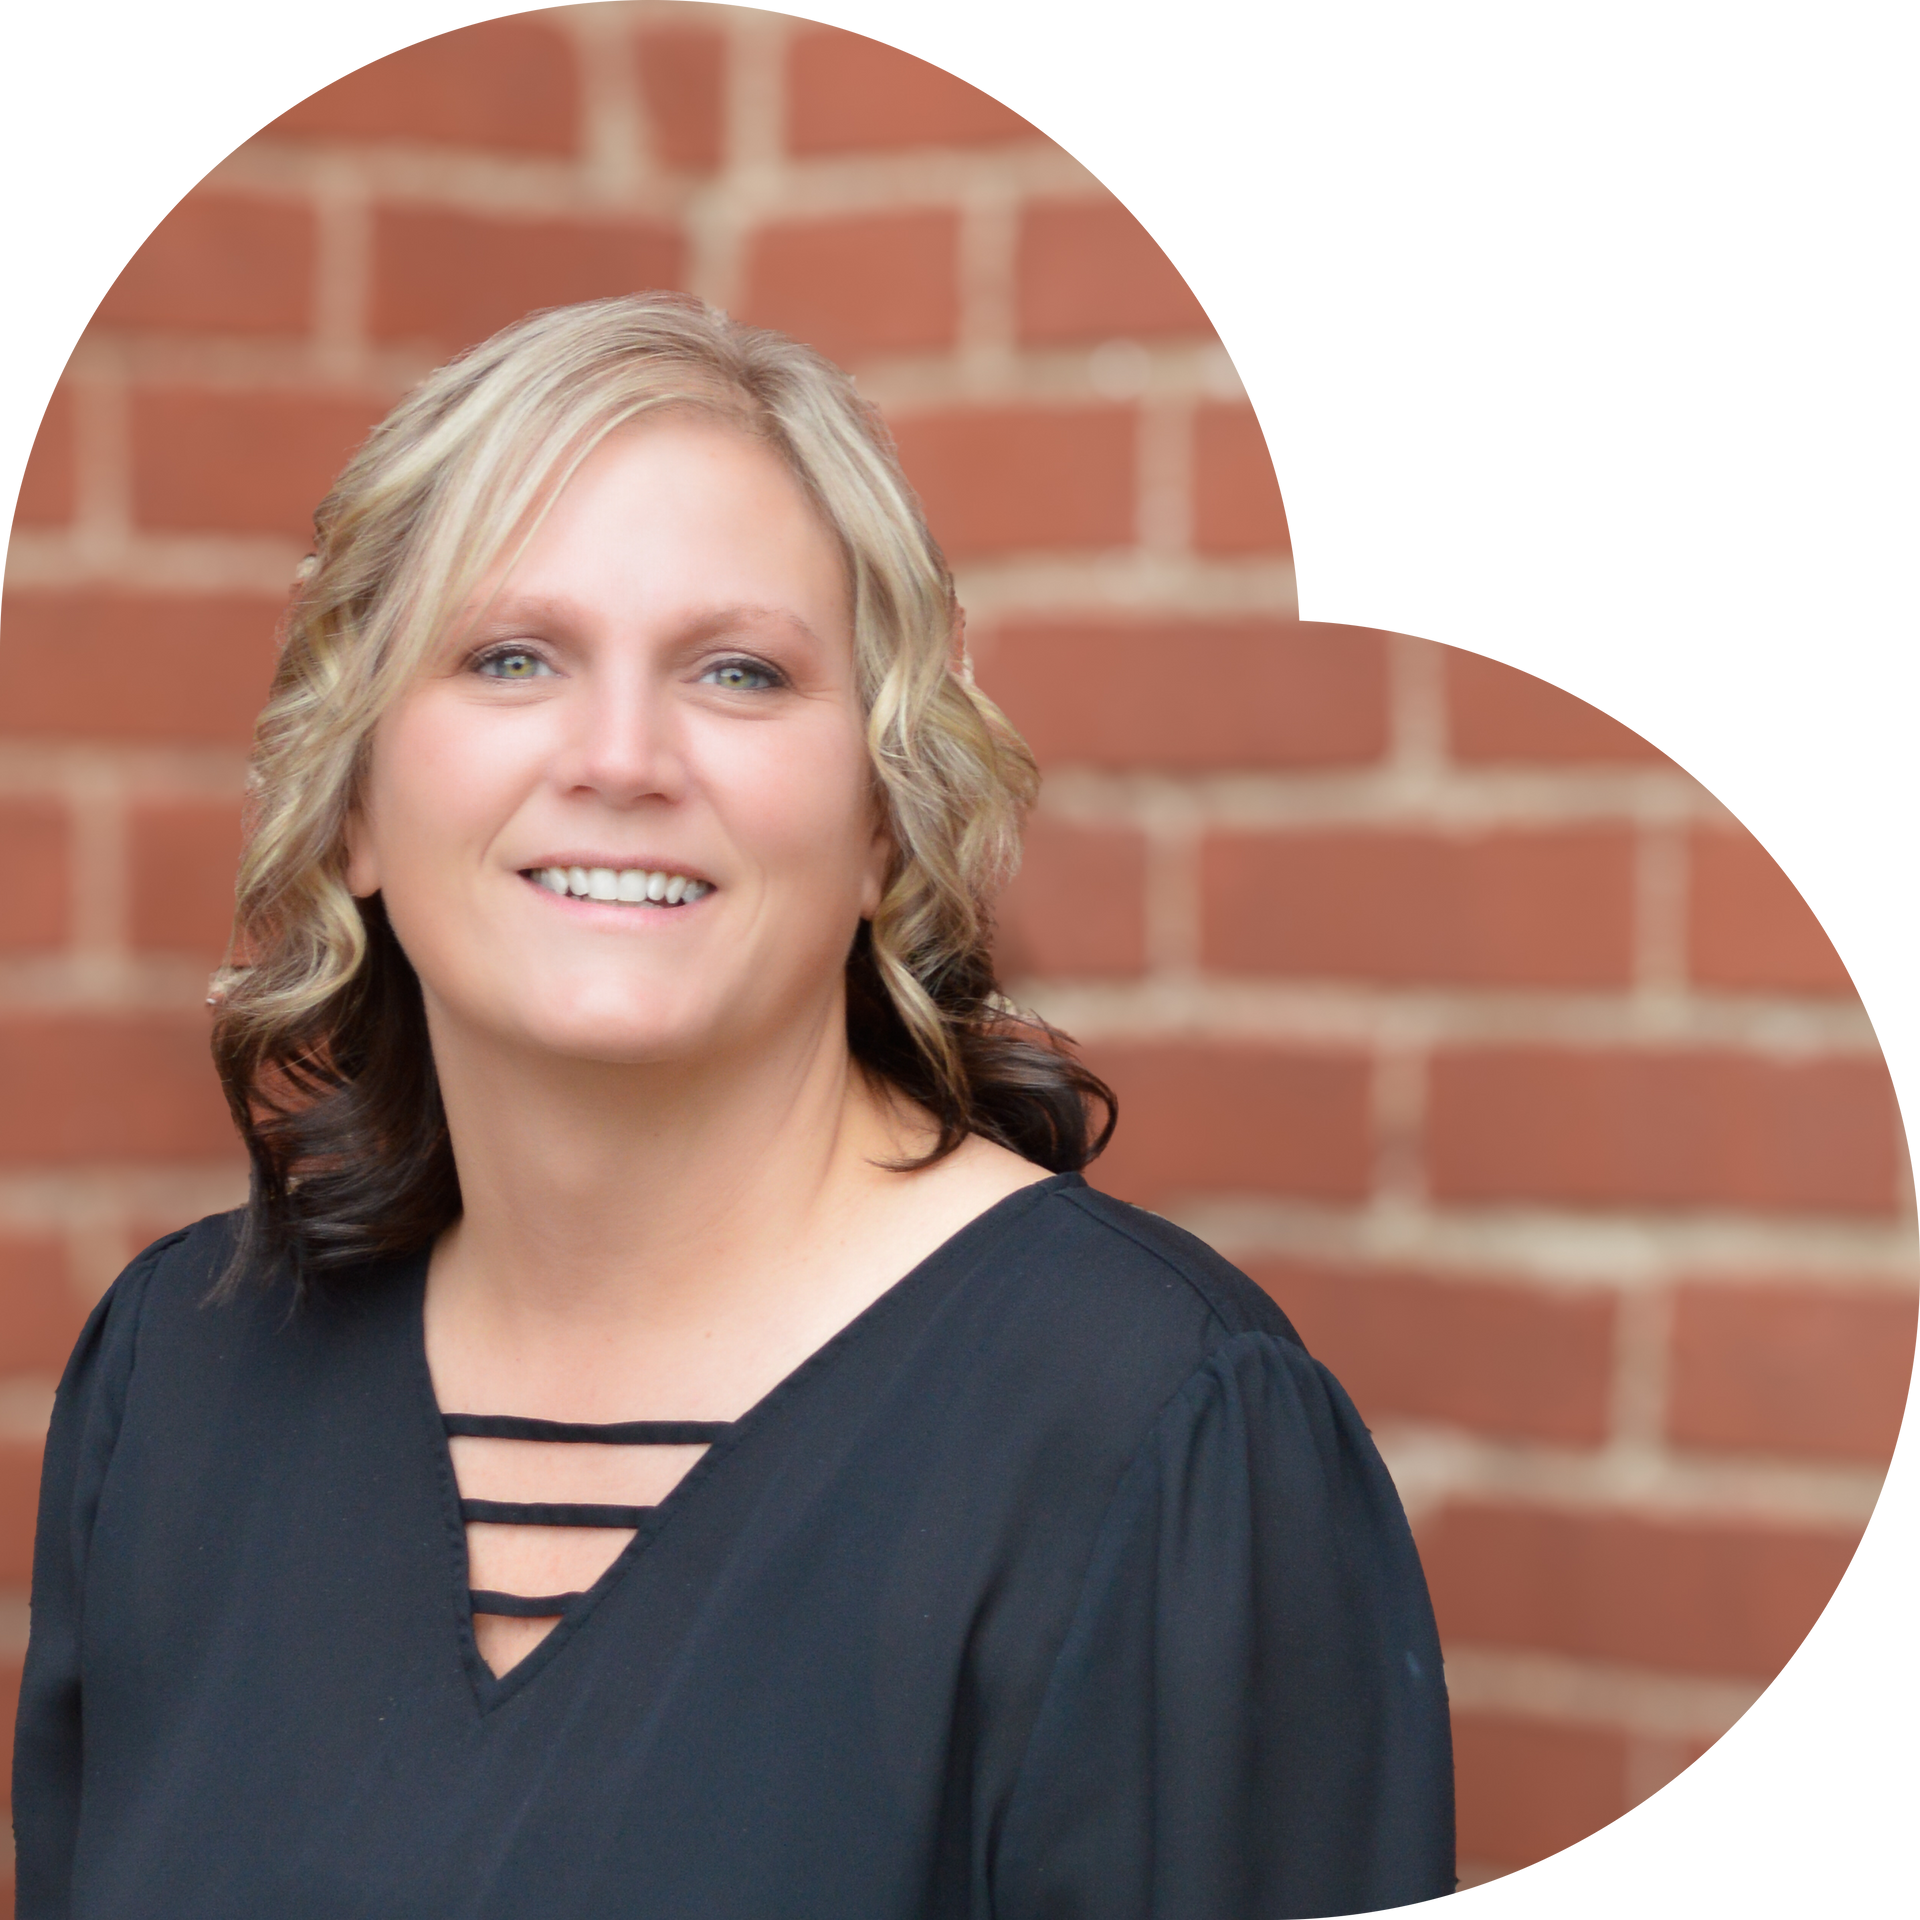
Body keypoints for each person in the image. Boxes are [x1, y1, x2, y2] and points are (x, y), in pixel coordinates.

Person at [11, 294, 1454, 1918]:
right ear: (354, 801)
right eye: (510, 656)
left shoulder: (1156, 1438)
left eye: (741, 672)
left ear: (881, 828)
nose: (621, 755)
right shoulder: (182, 1382)